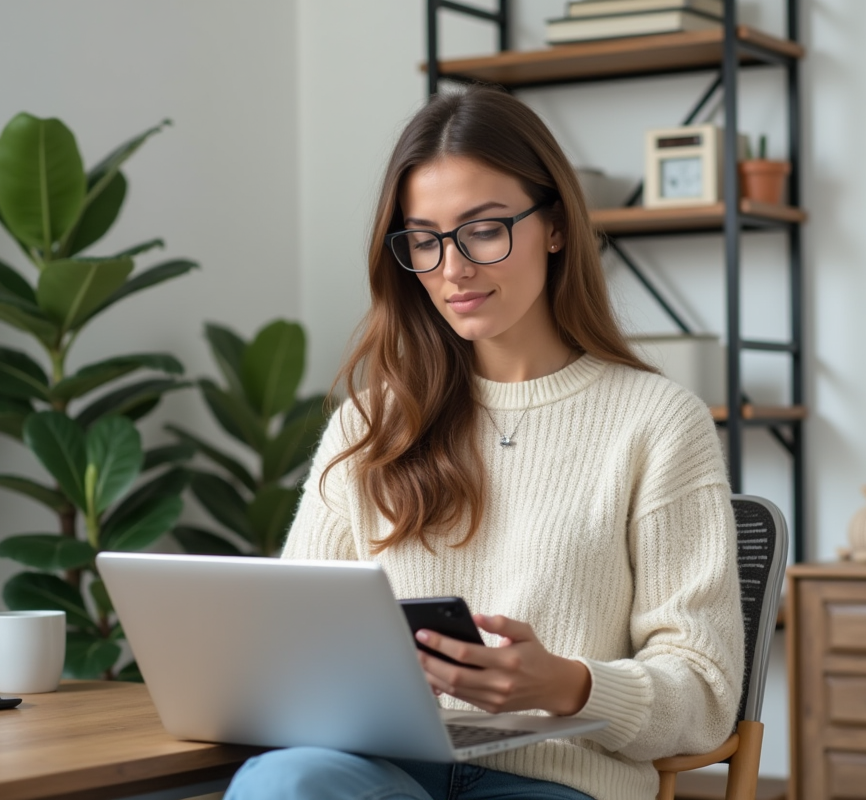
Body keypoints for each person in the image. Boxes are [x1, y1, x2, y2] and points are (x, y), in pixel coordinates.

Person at [224, 86, 743, 800]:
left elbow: (707, 695)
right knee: (286, 783)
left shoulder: (656, 422)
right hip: (382, 771)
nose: (453, 269)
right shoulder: (369, 425)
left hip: (555, 782)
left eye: (484, 229)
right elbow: (292, 647)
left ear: (555, 227)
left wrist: (569, 684)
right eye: (425, 240)